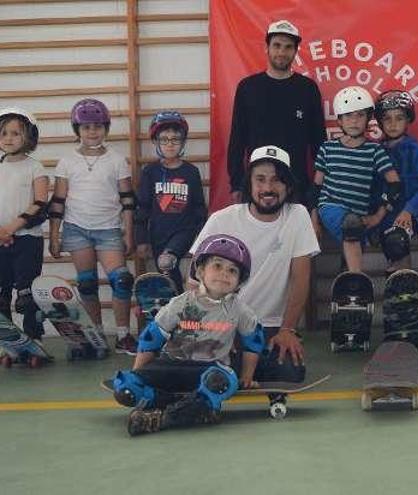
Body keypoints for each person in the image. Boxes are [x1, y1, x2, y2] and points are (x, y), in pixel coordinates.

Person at [112, 234, 266, 435]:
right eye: (217, 266)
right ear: (200, 271)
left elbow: (254, 341)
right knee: (125, 389)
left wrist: (247, 376)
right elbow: (151, 338)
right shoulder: (181, 304)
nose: (224, 274)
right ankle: (194, 408)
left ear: (239, 281)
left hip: (208, 370)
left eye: (232, 271)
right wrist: (139, 373)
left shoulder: (239, 309)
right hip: (171, 365)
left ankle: (163, 418)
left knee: (225, 380)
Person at [191, 145, 319, 375]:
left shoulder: (298, 215)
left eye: (277, 180)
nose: (268, 188)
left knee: (291, 372)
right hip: (221, 323)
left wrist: (288, 329)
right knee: (201, 368)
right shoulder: (221, 220)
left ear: (288, 186)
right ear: (249, 183)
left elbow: (301, 279)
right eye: (260, 179)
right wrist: (213, 327)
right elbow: (192, 281)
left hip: (270, 327)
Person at [47, 98, 137, 354]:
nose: (92, 131)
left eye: (98, 126)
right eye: (86, 127)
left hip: (109, 229)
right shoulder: (66, 161)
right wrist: (54, 236)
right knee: (86, 284)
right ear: (77, 130)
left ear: (106, 128)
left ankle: (122, 336)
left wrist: (129, 234)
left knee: (121, 280)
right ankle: (95, 335)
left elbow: (128, 200)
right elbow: (58, 201)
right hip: (76, 229)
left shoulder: (117, 160)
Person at [226, 19, 325, 205]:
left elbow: (319, 143)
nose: (281, 52)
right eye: (277, 45)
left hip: (297, 186)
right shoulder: (247, 88)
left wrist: (318, 187)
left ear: (295, 51)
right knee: (256, 235)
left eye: (288, 47)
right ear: (267, 48)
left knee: (294, 235)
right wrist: (236, 184)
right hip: (257, 186)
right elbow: (237, 140)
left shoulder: (307, 89)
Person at [312, 86, 401, 273]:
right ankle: (356, 279)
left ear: (369, 119)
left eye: (360, 115)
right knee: (352, 226)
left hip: (359, 213)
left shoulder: (375, 150)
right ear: (339, 120)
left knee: (353, 232)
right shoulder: (327, 148)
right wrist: (314, 221)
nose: (354, 121)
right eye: (348, 116)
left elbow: (394, 184)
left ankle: (347, 276)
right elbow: (316, 188)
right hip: (330, 207)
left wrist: (378, 216)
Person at [135, 111, 207, 290]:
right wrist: (141, 240)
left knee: (166, 261)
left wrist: (203, 237)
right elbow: (142, 208)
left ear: (183, 142)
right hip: (158, 233)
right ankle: (176, 306)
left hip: (184, 230)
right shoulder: (150, 172)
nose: (170, 144)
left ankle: (177, 303)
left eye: (175, 139)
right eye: (164, 139)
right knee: (165, 271)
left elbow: (199, 207)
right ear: (155, 141)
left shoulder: (191, 172)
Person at [0, 107, 48, 341]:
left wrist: (12, 227)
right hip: (1, 240)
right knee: (2, 294)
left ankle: (33, 337)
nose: (8, 138)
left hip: (28, 240)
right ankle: (7, 341)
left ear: (28, 136)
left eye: (15, 133)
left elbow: (40, 204)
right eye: (4, 133)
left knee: (27, 294)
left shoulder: (34, 167)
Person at [372, 90, 418, 273]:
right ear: (380, 122)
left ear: (408, 120)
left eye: (399, 118)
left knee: (397, 241)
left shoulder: (415, 149)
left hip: (409, 211)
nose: (392, 124)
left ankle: (408, 285)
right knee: (389, 255)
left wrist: (410, 211)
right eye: (387, 119)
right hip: (385, 213)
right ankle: (395, 285)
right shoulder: (376, 150)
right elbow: (373, 187)